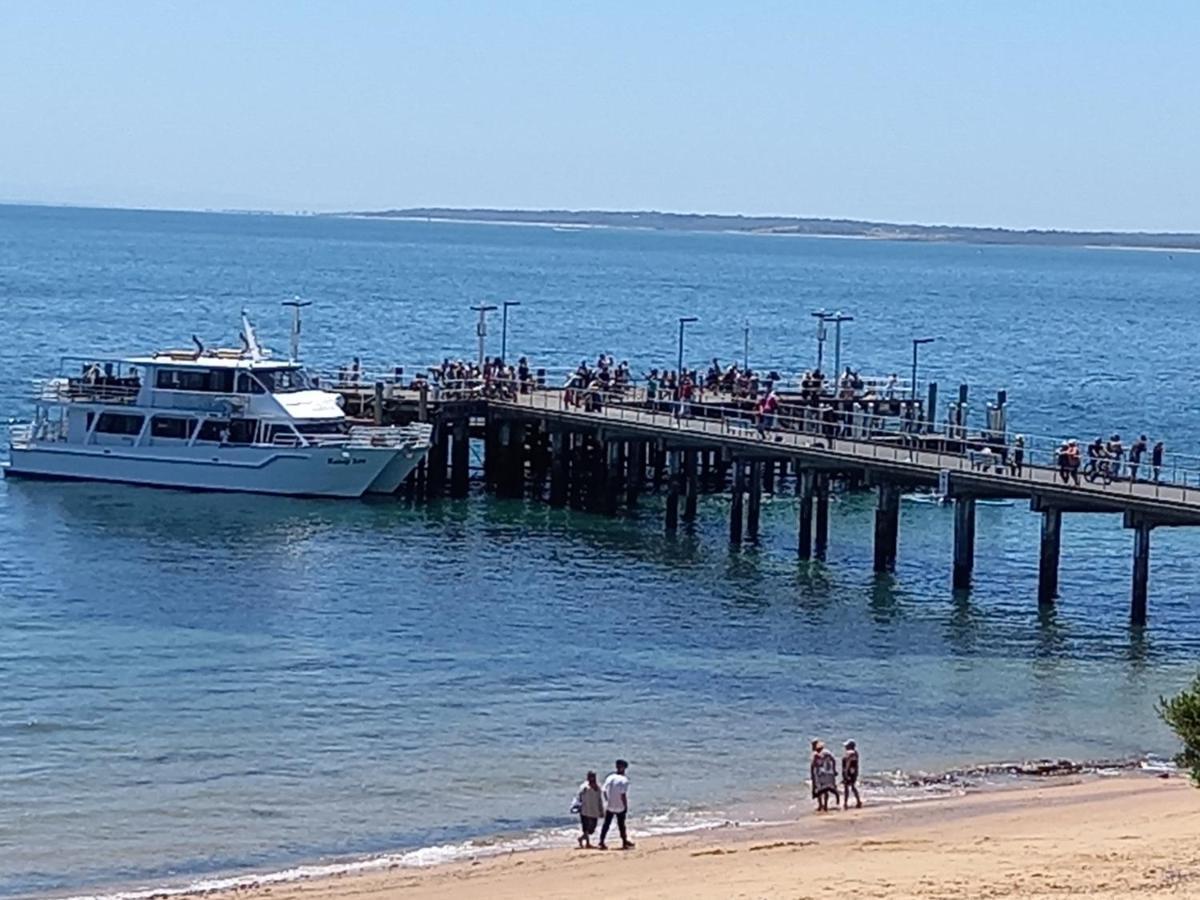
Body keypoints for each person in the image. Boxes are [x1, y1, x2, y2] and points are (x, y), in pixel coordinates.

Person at [599, 760, 634, 850]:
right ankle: (624, 842)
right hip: (620, 805)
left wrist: (607, 800)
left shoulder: (610, 777)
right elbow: (623, 795)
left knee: (606, 824)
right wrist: (625, 805)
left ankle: (601, 841)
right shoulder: (624, 780)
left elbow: (603, 790)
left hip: (610, 805)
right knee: (621, 825)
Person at [573, 771, 604, 849]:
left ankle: (581, 838)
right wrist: (577, 807)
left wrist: (601, 810)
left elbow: (599, 799)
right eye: (591, 776)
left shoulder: (598, 787)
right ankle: (587, 843)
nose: (592, 778)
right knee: (586, 828)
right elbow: (579, 797)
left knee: (592, 829)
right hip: (585, 810)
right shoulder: (584, 787)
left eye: (593, 776)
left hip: (594, 810)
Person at [810, 740, 839, 812]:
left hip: (819, 774)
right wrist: (834, 770)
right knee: (826, 789)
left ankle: (820, 805)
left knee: (819, 790)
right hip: (828, 773)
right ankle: (825, 805)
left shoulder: (815, 754)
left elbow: (813, 765)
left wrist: (812, 775)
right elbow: (833, 760)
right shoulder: (827, 752)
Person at [842, 740, 862, 809]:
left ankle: (845, 803)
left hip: (849, 773)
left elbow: (848, 763)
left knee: (846, 788)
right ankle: (858, 801)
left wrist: (845, 773)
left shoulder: (849, 753)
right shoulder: (856, 753)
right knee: (853, 787)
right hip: (854, 772)